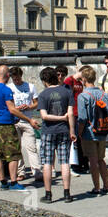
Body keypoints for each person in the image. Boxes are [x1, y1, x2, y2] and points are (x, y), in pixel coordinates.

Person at [0, 64, 37, 192]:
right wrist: (28, 119)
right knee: (13, 154)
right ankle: (14, 182)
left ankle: (3, 181)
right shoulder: (6, 90)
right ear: (7, 76)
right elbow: (12, 109)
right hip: (7, 125)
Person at [36, 67, 76, 203]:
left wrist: (59, 118)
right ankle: (67, 193)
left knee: (47, 163)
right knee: (65, 162)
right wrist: (72, 131)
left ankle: (48, 194)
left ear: (44, 80)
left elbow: (44, 116)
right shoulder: (67, 92)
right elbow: (70, 114)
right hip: (64, 131)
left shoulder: (43, 95)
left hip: (48, 131)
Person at [75, 65, 108, 195]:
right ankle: (106, 186)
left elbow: (82, 118)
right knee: (101, 159)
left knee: (92, 160)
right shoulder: (104, 94)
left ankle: (96, 188)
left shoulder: (83, 96)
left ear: (84, 79)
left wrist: (79, 133)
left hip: (89, 132)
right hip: (102, 130)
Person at [7, 66, 40, 183]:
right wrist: (16, 108)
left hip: (27, 119)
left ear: (21, 76)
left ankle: (36, 171)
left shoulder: (30, 87)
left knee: (31, 147)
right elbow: (7, 105)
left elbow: (36, 103)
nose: (16, 81)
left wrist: (29, 106)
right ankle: (20, 172)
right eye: (13, 79)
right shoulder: (9, 88)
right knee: (17, 148)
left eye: (17, 78)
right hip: (14, 120)